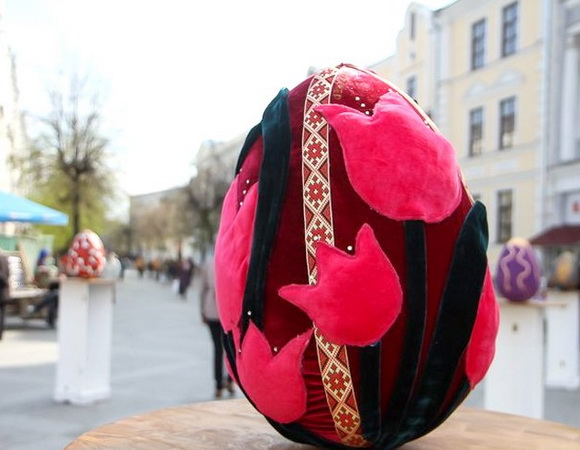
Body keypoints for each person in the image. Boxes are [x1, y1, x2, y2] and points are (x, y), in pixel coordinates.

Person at [199, 254, 233, 398]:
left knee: (218, 349)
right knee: (230, 348)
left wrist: (202, 311)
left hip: (213, 310)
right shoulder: (231, 260)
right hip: (227, 311)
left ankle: (219, 384)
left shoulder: (209, 263)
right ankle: (229, 380)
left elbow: (203, 290)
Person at [0, 252, 10, 339]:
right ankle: (1, 334)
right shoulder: (4, 258)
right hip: (4, 291)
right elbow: (8, 274)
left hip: (2, 290)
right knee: (2, 314)